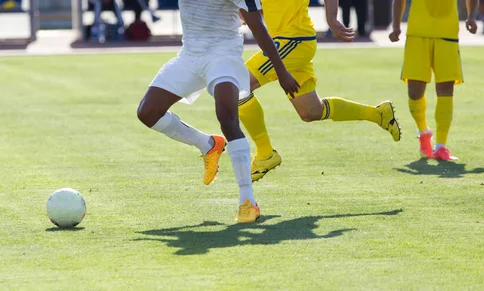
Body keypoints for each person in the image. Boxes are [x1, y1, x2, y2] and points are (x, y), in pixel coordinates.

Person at [136, 0, 299, 223]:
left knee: (227, 118)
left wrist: (281, 72)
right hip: (189, 57)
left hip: (224, 56)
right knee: (147, 112)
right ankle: (208, 144)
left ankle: (247, 200)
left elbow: (258, 27)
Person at [238, 0, 401, 182]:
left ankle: (265, 153)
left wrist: (331, 20)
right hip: (289, 41)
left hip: (292, 41)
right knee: (311, 111)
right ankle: (378, 114)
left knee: (238, 86)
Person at [389, 0, 478, 160]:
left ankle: (441, 146)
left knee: (445, 89)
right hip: (417, 32)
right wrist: (396, 25)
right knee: (415, 92)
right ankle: (423, 131)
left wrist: (471, 16)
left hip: (447, 32)